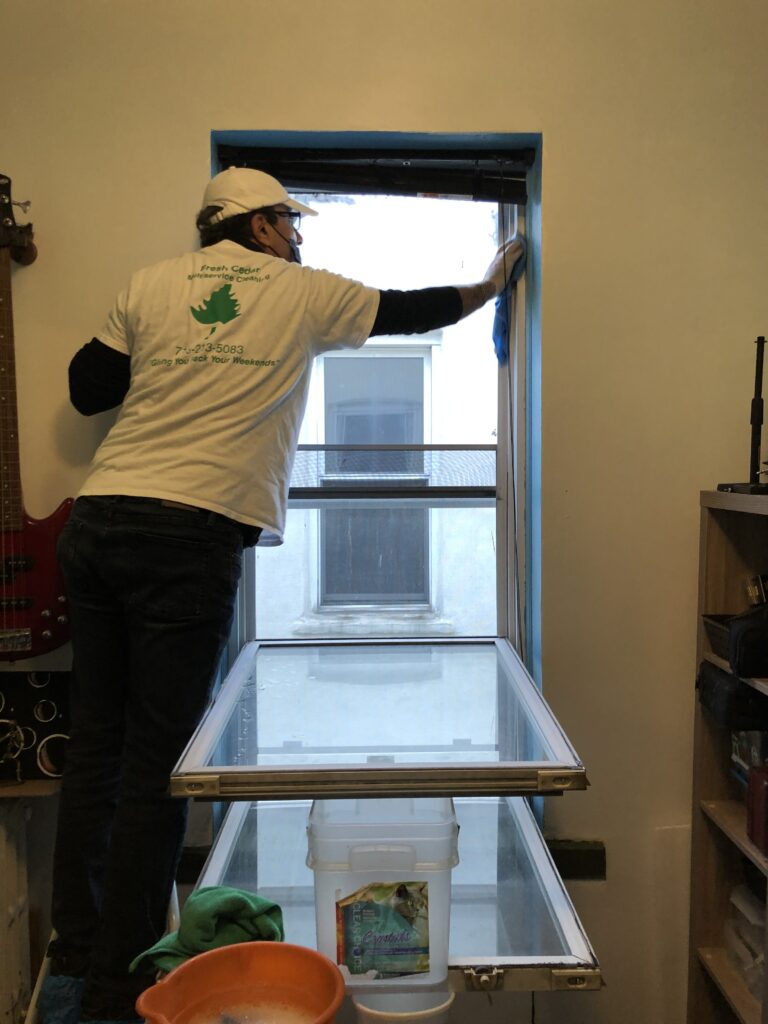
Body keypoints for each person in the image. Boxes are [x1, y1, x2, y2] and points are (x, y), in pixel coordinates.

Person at [41, 167, 524, 1024]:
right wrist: (489, 285)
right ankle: (120, 991)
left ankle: (76, 959)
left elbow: (88, 389)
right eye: (291, 224)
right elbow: (409, 311)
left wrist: (164, 348)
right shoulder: (301, 292)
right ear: (260, 226)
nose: (300, 237)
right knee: (158, 768)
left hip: (102, 521)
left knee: (95, 754)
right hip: (188, 538)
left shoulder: (149, 285)